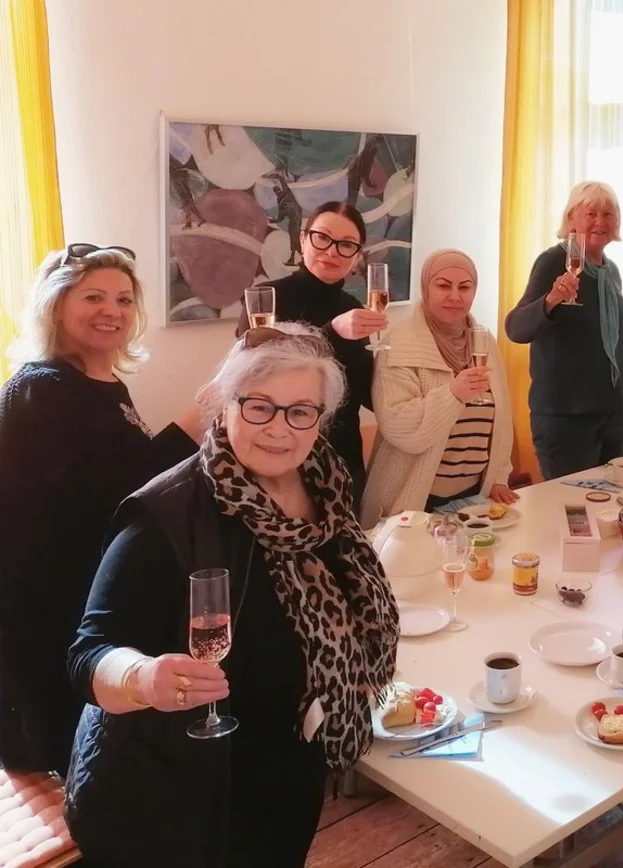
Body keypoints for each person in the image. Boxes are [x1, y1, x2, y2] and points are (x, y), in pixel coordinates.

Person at [64, 324, 400, 867]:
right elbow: (88, 653)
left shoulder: (328, 482)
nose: (280, 429)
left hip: (291, 762)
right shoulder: (168, 514)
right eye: (260, 406)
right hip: (180, 791)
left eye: (301, 411)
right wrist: (142, 677)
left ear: (321, 418)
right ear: (225, 404)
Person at [0, 245, 201, 774]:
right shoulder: (41, 388)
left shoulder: (102, 380)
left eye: (123, 299)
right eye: (93, 297)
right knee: (69, 753)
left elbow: (118, 470)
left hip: (86, 581)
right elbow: (128, 486)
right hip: (45, 599)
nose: (111, 310)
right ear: (57, 305)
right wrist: (205, 414)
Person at [236, 201, 387, 504]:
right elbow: (253, 373)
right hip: (280, 457)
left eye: (346, 245)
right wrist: (333, 331)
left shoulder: (355, 309)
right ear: (303, 239)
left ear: (357, 256)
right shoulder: (267, 299)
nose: (332, 251)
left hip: (342, 459)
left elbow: (365, 393)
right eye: (323, 238)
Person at [361, 249, 517, 528]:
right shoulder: (399, 343)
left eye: (464, 287)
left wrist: (497, 477)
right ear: (426, 288)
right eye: (443, 285)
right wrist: (453, 395)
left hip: (473, 500)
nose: (455, 296)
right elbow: (399, 427)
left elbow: (502, 418)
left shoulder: (484, 341)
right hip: (412, 502)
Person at [504, 181, 623, 478]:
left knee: (608, 513)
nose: (600, 222)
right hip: (566, 422)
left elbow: (615, 345)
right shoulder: (554, 261)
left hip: (611, 418)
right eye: (591, 213)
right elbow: (515, 328)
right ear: (570, 219)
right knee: (570, 514)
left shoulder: (610, 271)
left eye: (608, 214)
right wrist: (551, 300)